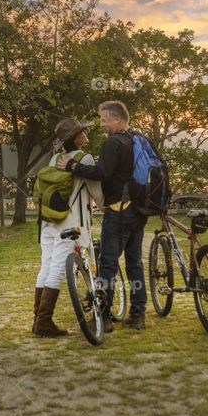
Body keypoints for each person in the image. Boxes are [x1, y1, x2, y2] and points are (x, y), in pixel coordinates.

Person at [57, 100, 146, 331]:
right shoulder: (136, 140)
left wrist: (72, 167)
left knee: (107, 264)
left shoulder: (112, 143)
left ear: (117, 119)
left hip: (117, 212)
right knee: (135, 263)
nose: (102, 124)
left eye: (104, 119)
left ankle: (104, 318)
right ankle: (138, 315)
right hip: (138, 211)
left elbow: (101, 173)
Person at [33, 118, 103, 337]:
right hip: (70, 223)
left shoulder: (55, 159)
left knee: (46, 265)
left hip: (48, 222)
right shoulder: (85, 158)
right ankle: (44, 322)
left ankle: (37, 319)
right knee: (57, 269)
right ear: (76, 138)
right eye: (82, 132)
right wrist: (105, 206)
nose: (86, 134)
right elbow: (96, 192)